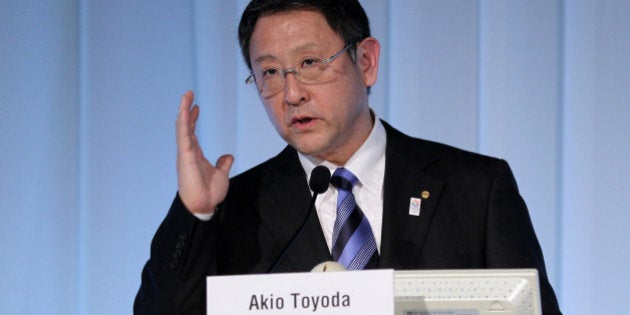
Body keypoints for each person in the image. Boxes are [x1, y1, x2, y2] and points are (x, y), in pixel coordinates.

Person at [134, 0, 562, 314]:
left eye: (309, 62)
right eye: (269, 73)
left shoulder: (477, 188)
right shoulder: (235, 210)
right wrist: (196, 212)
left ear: (367, 62)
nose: (292, 93)